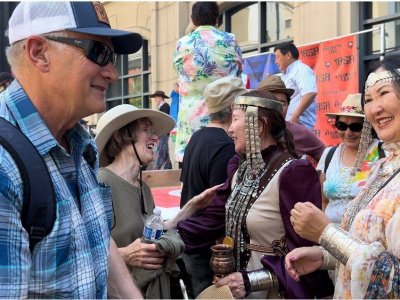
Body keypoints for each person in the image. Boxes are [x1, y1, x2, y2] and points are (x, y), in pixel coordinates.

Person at [0, 1, 144, 298]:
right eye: (99, 52)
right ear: (39, 53)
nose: (112, 73)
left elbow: (96, 239)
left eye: (112, 56)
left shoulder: (80, 142)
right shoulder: (4, 166)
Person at [177, 90, 333, 298]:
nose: (230, 129)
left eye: (235, 120)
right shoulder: (238, 168)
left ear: (258, 126)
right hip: (236, 291)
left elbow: (304, 253)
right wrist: (166, 239)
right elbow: (211, 221)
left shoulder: (293, 172)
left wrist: (252, 281)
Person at [285, 55, 400, 299]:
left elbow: (395, 277)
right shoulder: (383, 167)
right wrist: (325, 255)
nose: (375, 108)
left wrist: (327, 235)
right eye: (368, 99)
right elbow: (366, 243)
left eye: (384, 93)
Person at [95, 104, 222, 298]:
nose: (155, 137)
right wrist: (125, 255)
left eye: (154, 132)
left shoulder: (143, 187)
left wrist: (190, 208)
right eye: (146, 130)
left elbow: (152, 231)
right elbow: (80, 252)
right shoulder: (101, 183)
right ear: (120, 137)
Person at [179, 76, 247, 298]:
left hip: (189, 240)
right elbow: (223, 205)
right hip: (208, 249)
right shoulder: (226, 146)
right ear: (232, 108)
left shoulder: (197, 137)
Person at [173, 1, 243, 164]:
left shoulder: (182, 44)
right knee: (227, 167)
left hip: (191, 117)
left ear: (194, 19)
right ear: (217, 19)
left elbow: (180, 74)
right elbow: (238, 74)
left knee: (190, 170)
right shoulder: (230, 40)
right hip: (224, 114)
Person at [317, 93, 382, 223]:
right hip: (331, 236)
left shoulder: (382, 152)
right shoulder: (329, 154)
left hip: (365, 238)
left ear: (368, 127)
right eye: (341, 125)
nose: (348, 132)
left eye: (355, 127)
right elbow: (324, 200)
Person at [257, 75, 325, 161]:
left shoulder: (300, 133)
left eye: (282, 103)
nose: (278, 108)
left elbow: (326, 158)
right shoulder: (245, 133)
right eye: (272, 102)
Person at [274, 42, 317, 129]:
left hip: (299, 125)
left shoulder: (301, 69)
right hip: (289, 125)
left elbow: (310, 93)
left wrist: (295, 116)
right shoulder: (285, 75)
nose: (276, 62)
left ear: (288, 55)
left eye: (277, 57)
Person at [150, 90, 172, 170]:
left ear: (160, 97)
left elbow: (164, 120)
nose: (155, 100)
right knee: (164, 152)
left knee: (161, 151)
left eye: (156, 97)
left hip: (164, 133)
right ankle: (166, 168)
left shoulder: (165, 106)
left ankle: (158, 169)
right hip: (163, 132)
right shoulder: (162, 107)